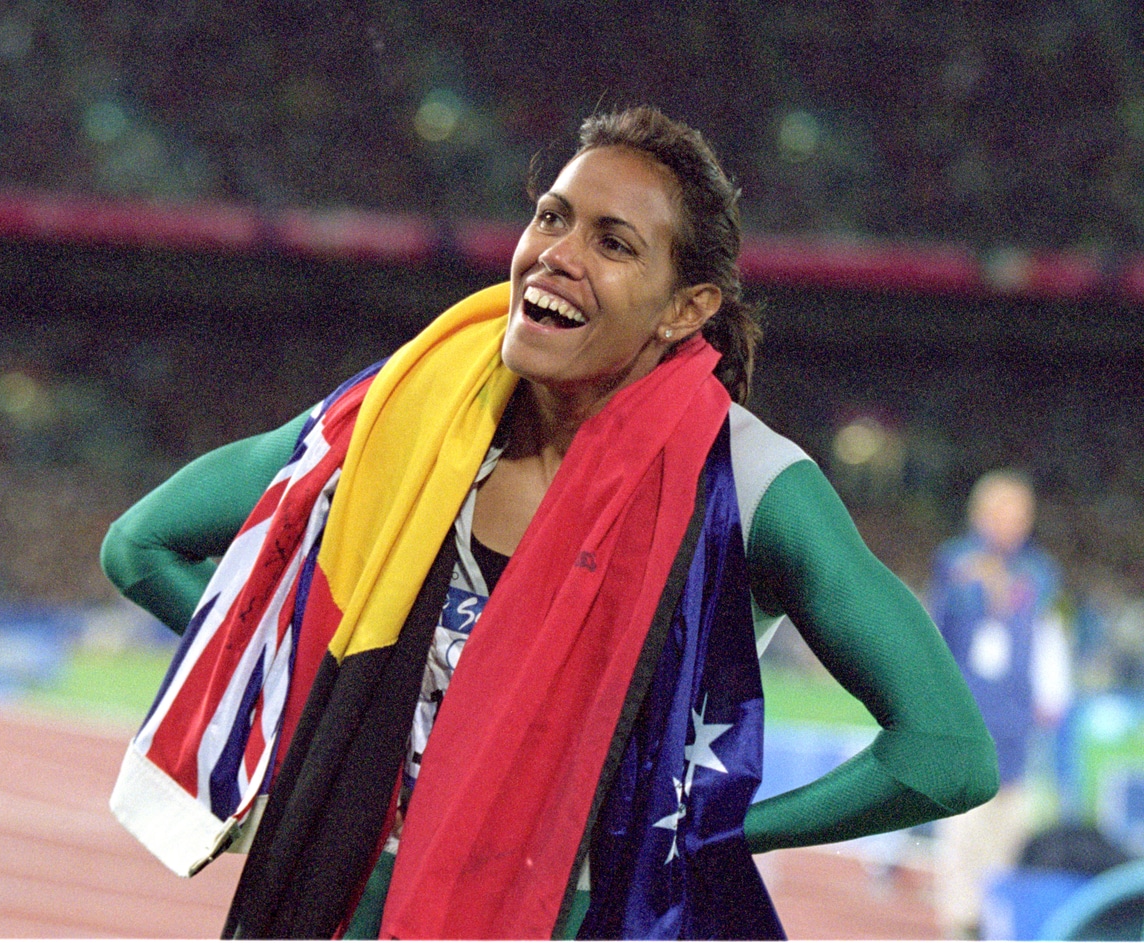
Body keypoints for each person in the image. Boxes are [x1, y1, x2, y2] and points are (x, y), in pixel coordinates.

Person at [101, 106, 998, 940]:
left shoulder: (748, 483)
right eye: (553, 216)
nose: (558, 254)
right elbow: (139, 545)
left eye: (613, 243)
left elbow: (947, 752)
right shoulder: (406, 416)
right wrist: (324, 703)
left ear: (686, 309)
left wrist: (700, 835)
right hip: (344, 901)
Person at [929, 469, 1068, 938]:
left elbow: (1044, 635)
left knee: (1010, 829)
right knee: (963, 826)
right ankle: (960, 922)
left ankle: (998, 918)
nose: (1016, 521)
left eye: (1023, 513)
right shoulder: (953, 561)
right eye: (1006, 510)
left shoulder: (1040, 571)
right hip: (967, 716)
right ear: (982, 513)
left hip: (1015, 723)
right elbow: (939, 637)